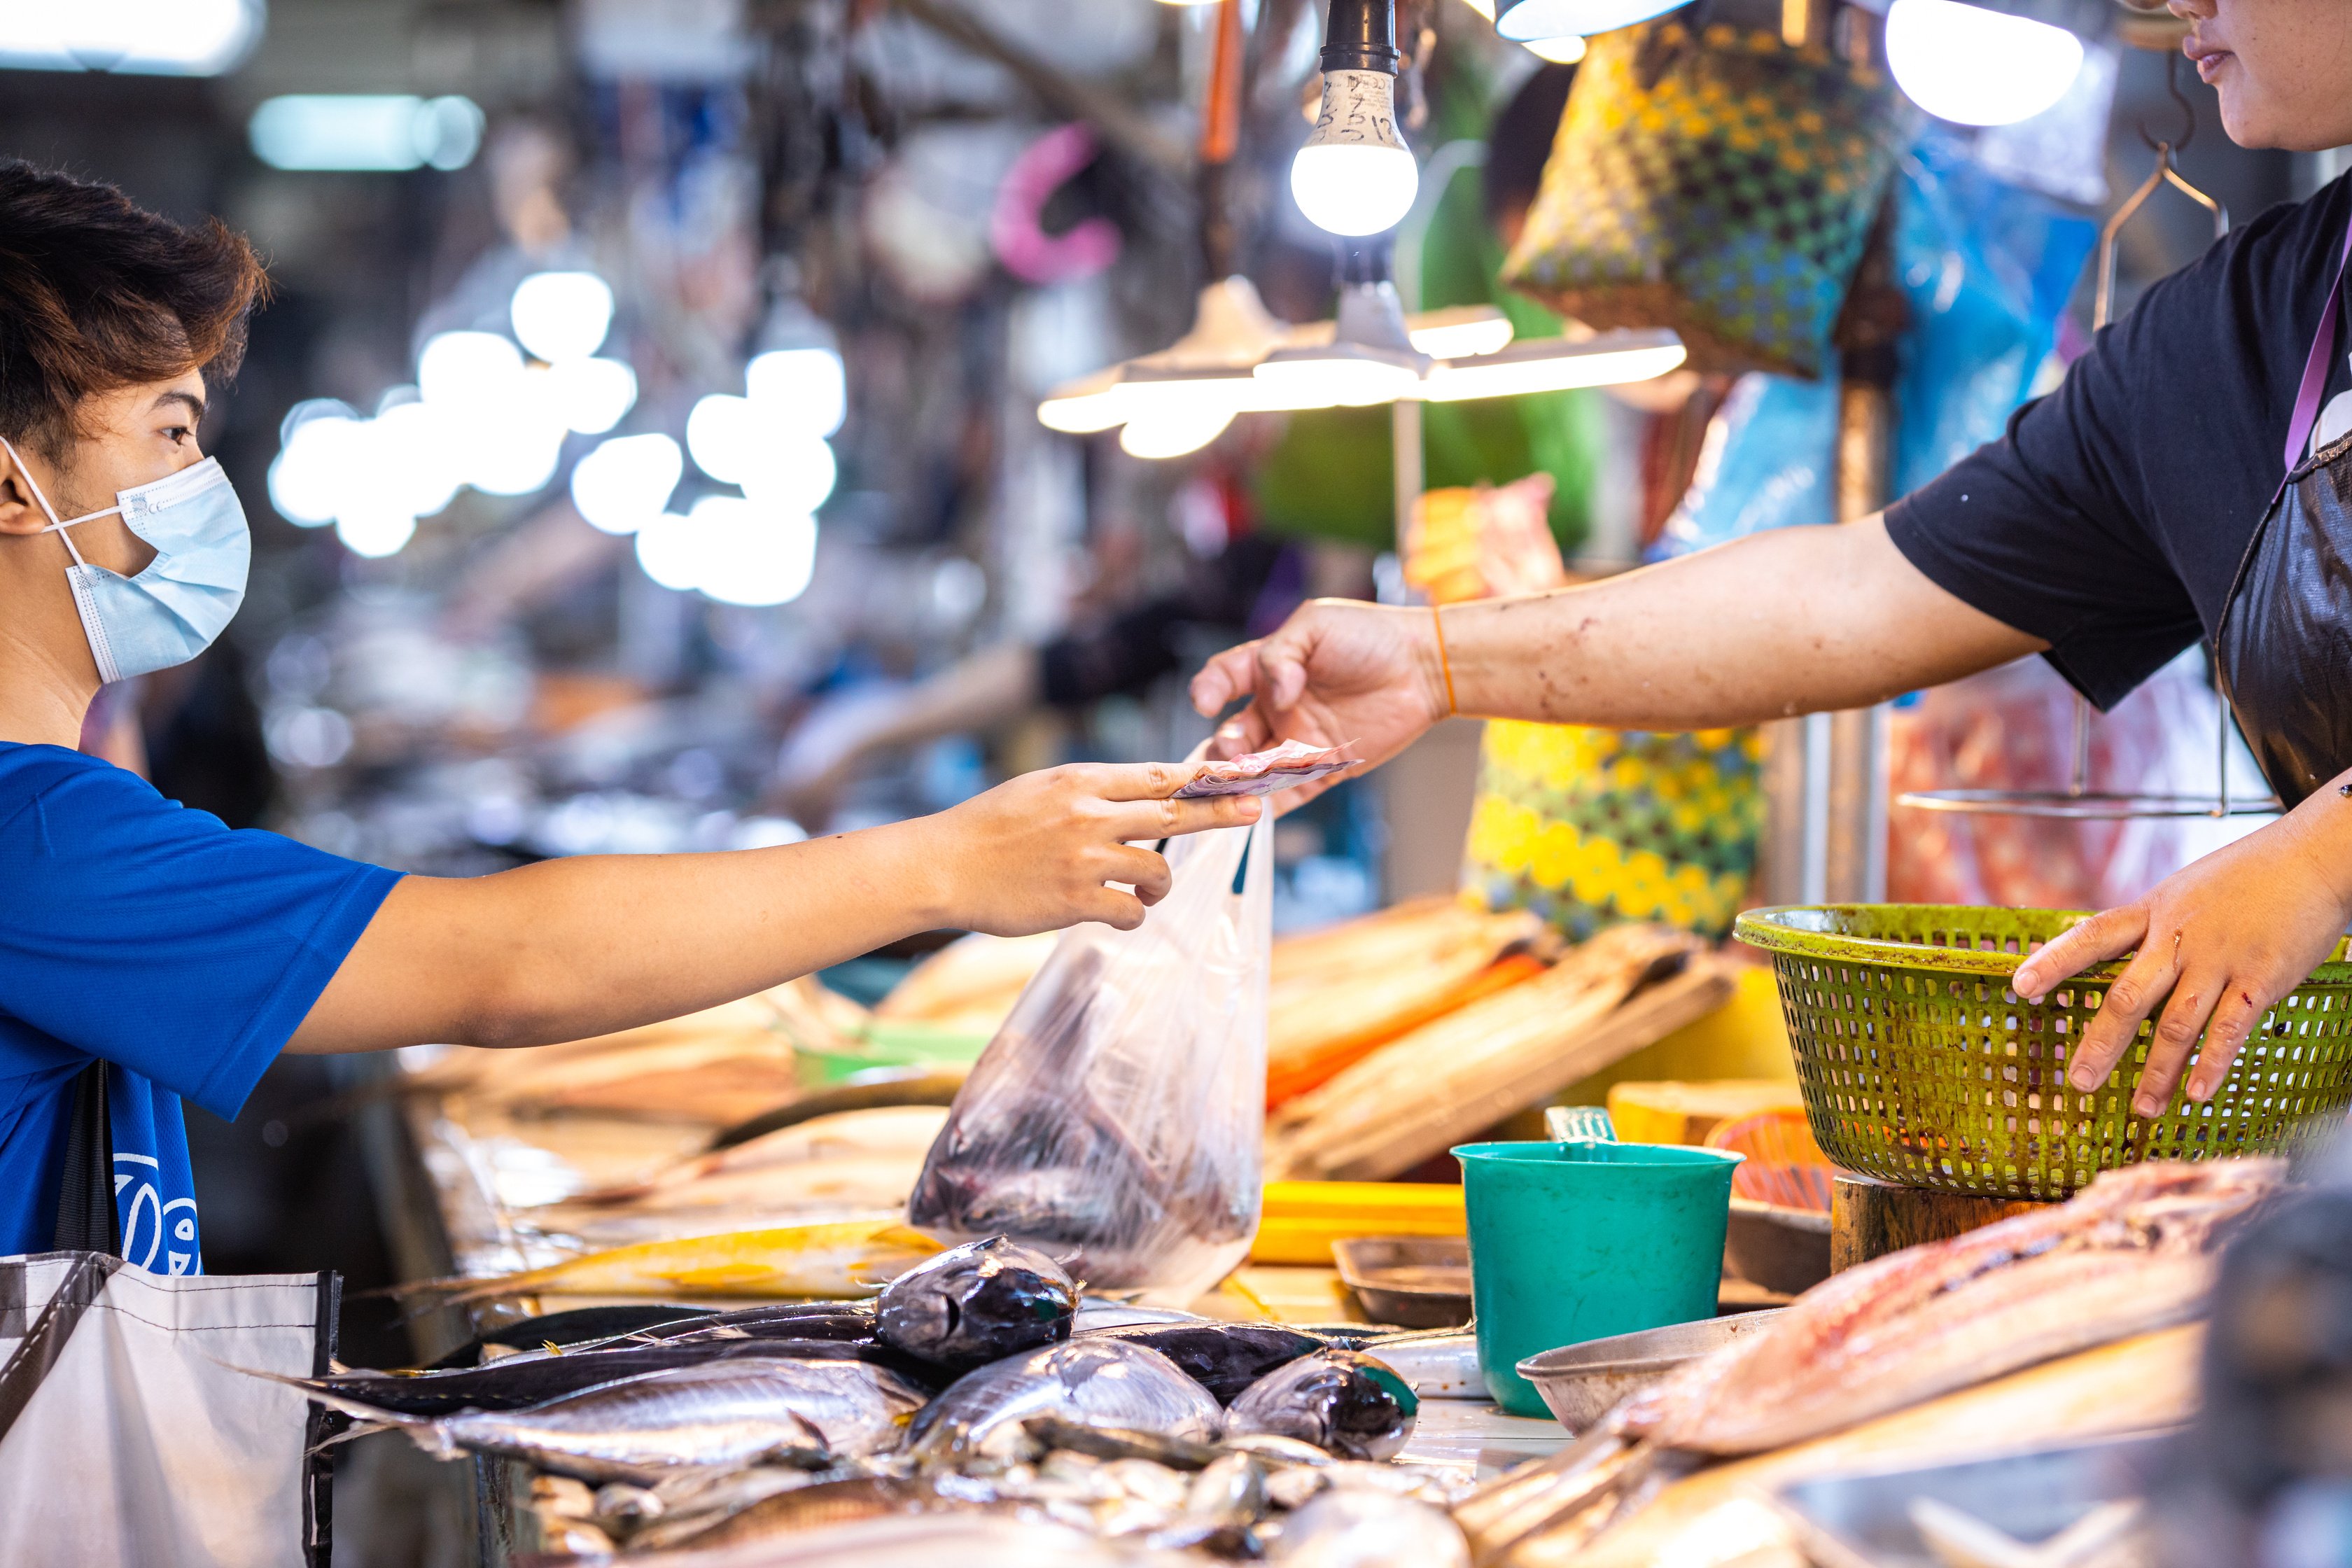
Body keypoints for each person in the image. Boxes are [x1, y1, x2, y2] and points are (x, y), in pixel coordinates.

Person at [0, 162, 1258, 1270]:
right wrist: (947, 863)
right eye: (169, 437)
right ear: (14, 486)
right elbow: (504, 968)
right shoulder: (32, 839)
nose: (200, 487)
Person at [1194, 0, 2352, 1126]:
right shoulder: (2244, 331)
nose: (2176, 2)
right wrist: (1433, 657)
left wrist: (2317, 865)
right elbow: (1856, 595)